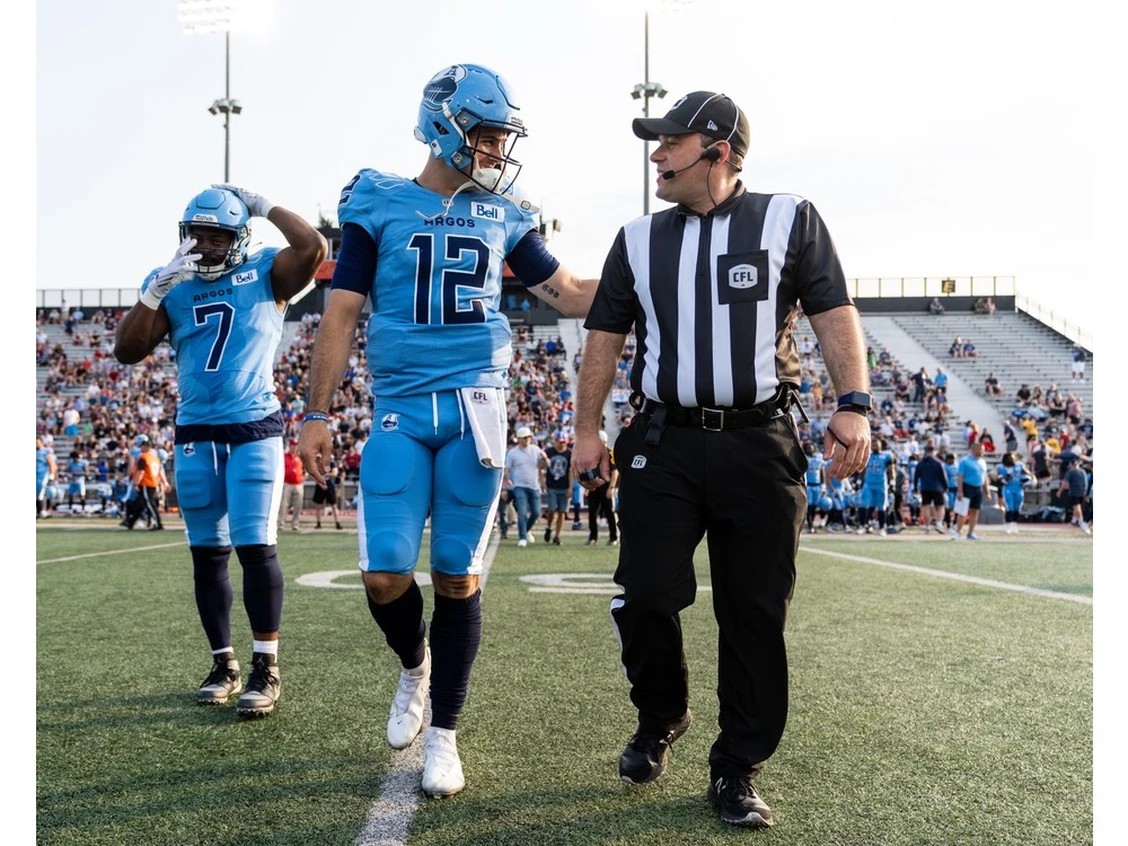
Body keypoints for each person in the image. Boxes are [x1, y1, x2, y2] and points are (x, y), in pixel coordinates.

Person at [571, 90, 871, 829]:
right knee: (644, 592)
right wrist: (586, 429)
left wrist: (854, 403)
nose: (656, 155)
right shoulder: (638, 237)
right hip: (664, 440)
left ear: (719, 148)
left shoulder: (789, 217)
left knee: (754, 613)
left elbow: (835, 311)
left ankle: (736, 766)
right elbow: (605, 335)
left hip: (759, 442)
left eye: (669, 142)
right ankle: (662, 713)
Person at [296, 63, 595, 798]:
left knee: (458, 576)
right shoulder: (380, 202)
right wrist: (315, 411)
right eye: (488, 136)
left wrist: (654, 269)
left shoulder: (505, 214)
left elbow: (568, 293)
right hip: (400, 406)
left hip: (477, 409)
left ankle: (446, 734)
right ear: (445, 125)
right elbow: (339, 312)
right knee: (385, 573)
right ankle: (414, 668)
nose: (497, 152)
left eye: (501, 139)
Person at [114, 184, 328, 718]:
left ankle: (266, 666)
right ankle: (223, 663)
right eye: (199, 234)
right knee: (206, 554)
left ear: (239, 236)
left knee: (256, 547)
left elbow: (313, 249)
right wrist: (153, 293)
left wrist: (260, 204)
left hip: (254, 427)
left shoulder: (263, 271)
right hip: (194, 433)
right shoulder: (173, 283)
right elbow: (127, 351)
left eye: (218, 235)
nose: (206, 244)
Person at [503, 426, 548, 547]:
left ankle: (526, 530)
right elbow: (507, 469)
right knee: (522, 512)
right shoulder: (513, 453)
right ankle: (522, 537)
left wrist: (545, 459)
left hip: (534, 485)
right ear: (519, 439)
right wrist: (506, 482)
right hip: (519, 486)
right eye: (524, 438)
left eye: (528, 437)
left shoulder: (535, 449)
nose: (527, 439)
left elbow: (545, 465)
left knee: (536, 512)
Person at [121, 439, 169, 530]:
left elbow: (141, 472)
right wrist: (164, 482)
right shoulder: (155, 458)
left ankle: (158, 523)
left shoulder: (144, 457)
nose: (141, 449)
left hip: (146, 483)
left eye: (142, 447)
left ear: (146, 447)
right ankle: (130, 521)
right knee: (139, 504)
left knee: (149, 504)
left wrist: (136, 483)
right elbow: (159, 471)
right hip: (153, 482)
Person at [949, 441, 990, 540]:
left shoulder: (982, 462)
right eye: (981, 449)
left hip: (978, 488)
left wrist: (987, 491)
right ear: (974, 449)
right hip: (967, 487)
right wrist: (960, 491)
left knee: (975, 511)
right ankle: (958, 532)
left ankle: (970, 533)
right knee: (962, 512)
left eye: (983, 450)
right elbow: (960, 477)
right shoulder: (965, 461)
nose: (982, 452)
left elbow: (984, 477)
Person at [585, 430, 618, 546]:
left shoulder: (610, 454)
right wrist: (586, 486)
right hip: (594, 487)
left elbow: (615, 472)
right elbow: (588, 471)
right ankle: (593, 537)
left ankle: (613, 537)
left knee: (609, 513)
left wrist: (612, 487)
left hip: (606, 487)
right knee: (592, 514)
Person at [543, 432, 574, 545]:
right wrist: (542, 481)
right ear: (555, 441)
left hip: (564, 486)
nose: (561, 445)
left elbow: (571, 471)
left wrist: (570, 487)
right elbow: (541, 465)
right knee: (551, 509)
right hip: (552, 485)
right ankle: (549, 526)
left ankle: (557, 536)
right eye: (559, 442)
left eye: (563, 442)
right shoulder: (549, 452)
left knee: (562, 512)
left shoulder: (569, 453)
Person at [995, 451, 1031, 534]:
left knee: (1017, 508)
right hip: (1008, 488)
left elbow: (1028, 474)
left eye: (1012, 457)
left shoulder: (1019, 465)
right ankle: (1008, 525)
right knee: (1009, 508)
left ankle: (1015, 525)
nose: (1011, 459)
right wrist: (1005, 478)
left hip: (1019, 488)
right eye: (1009, 458)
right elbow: (1000, 479)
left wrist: (1027, 479)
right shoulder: (1001, 467)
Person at [279, 438, 306, 531]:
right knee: (284, 505)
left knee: (298, 506)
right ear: (290, 446)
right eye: (293, 445)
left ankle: (295, 524)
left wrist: (304, 477)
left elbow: (306, 469)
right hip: (287, 483)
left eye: (296, 445)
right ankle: (281, 524)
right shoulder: (284, 456)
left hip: (298, 484)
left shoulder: (301, 457)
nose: (294, 447)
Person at [313, 458, 343, 530]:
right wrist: (321, 484)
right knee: (318, 506)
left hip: (330, 486)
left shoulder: (331, 462)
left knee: (334, 505)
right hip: (320, 486)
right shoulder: (317, 463)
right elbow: (314, 475)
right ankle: (318, 523)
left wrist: (325, 473)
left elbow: (335, 473)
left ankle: (337, 523)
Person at [36, 435, 58, 519]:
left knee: (41, 493)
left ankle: (42, 510)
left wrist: (52, 476)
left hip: (42, 475)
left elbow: (52, 464)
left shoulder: (46, 451)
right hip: (36, 475)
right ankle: (39, 511)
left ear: (41, 442)